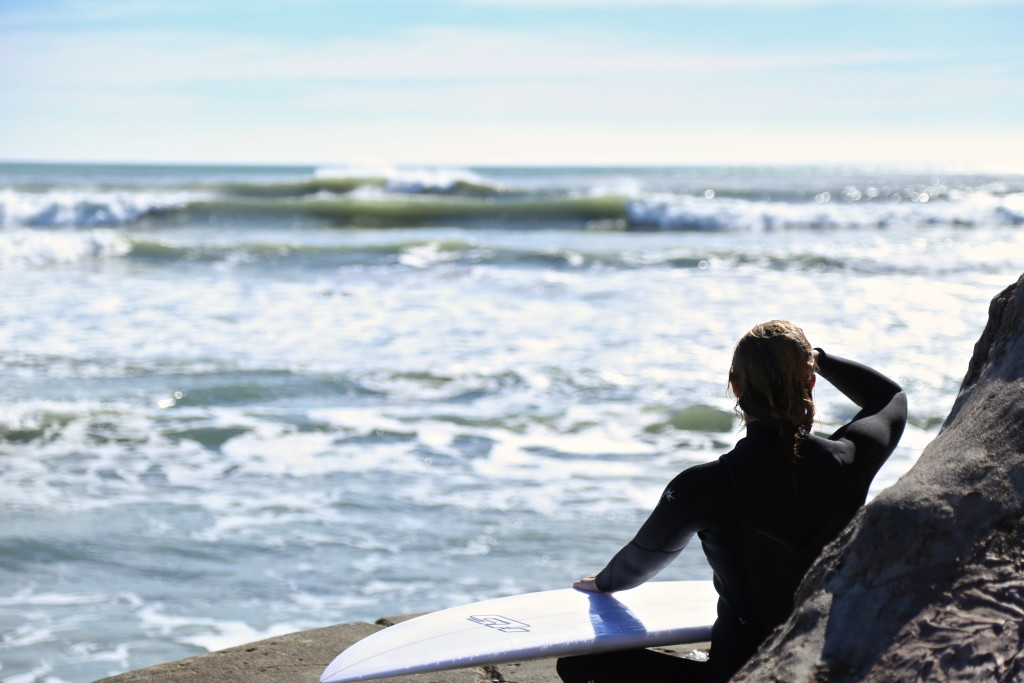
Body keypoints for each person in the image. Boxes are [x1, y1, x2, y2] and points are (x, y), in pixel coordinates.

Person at [557, 320, 907, 683]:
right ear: (811, 382)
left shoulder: (705, 484)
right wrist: (816, 358)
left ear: (735, 385)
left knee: (578, 665)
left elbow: (643, 559)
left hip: (741, 672)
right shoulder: (849, 458)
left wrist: (603, 582)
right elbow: (889, 398)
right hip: (827, 661)